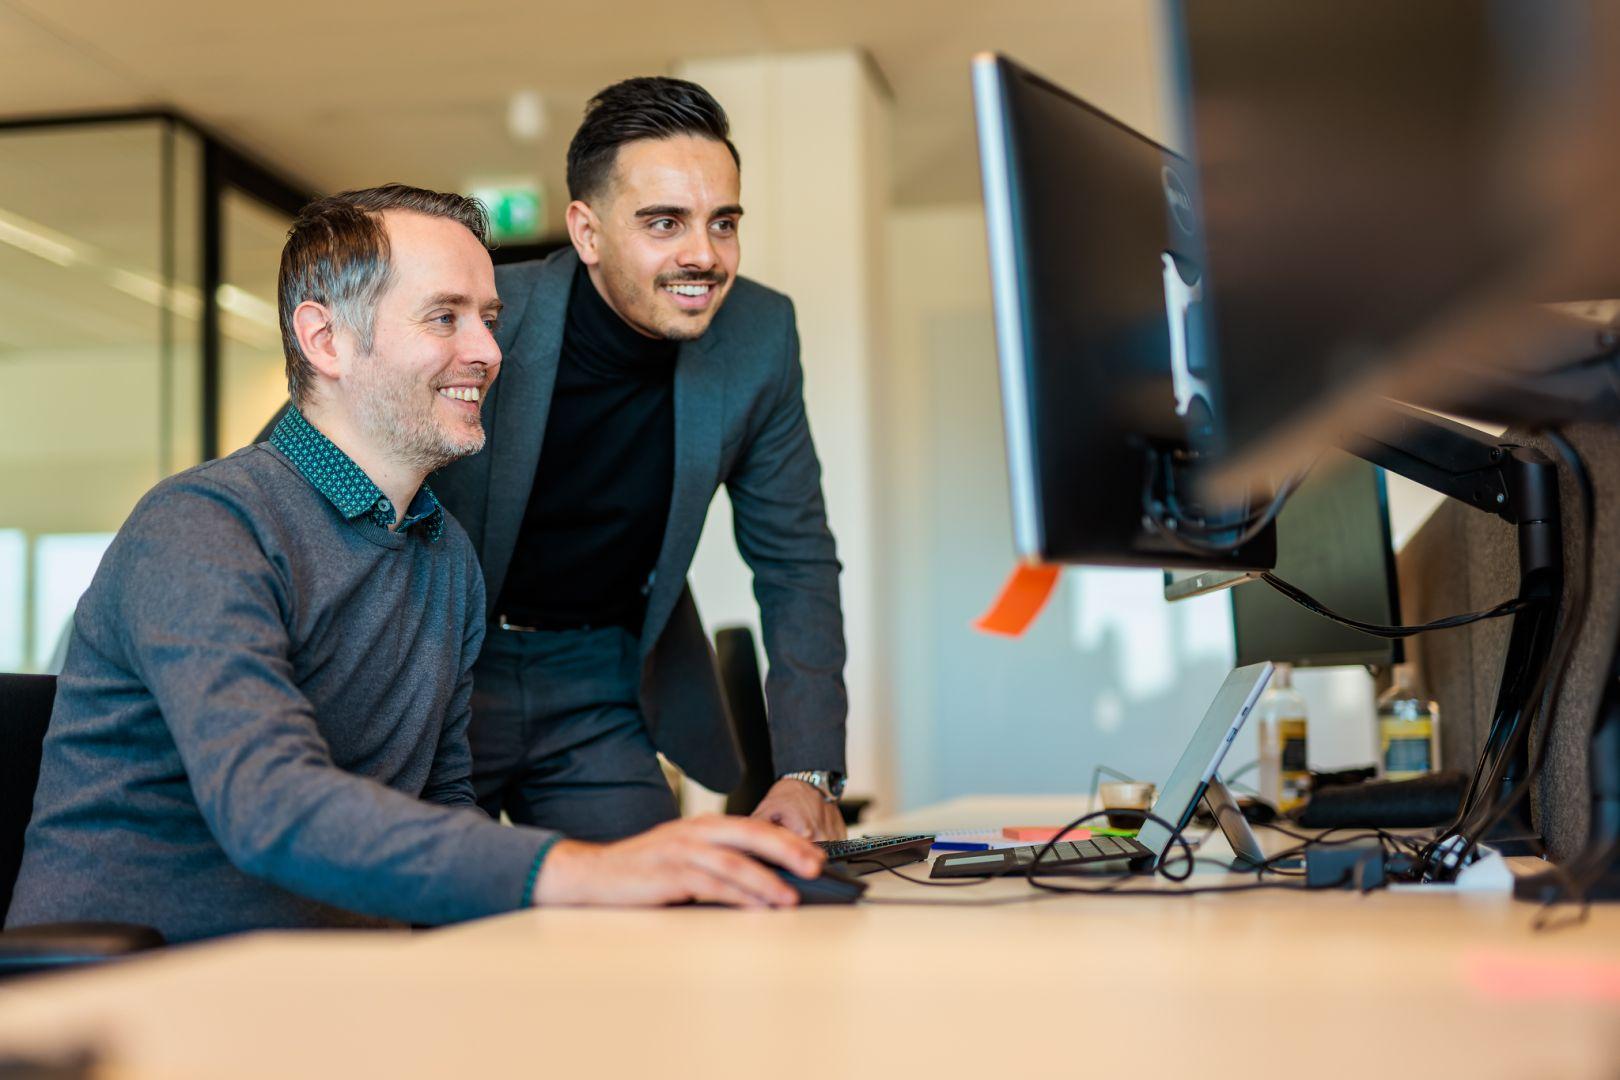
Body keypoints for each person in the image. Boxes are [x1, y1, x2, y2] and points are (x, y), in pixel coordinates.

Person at [4, 185, 822, 944]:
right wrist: (578, 868)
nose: (489, 351)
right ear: (325, 339)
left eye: (489, 317)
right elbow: (269, 805)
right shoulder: (203, 527)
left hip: (337, 982)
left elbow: (445, 807)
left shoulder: (443, 556)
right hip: (135, 993)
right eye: (445, 318)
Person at [433, 77, 849, 844]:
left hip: (599, 679)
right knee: (429, 922)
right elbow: (309, 463)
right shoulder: (482, 314)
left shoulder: (760, 336)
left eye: (723, 224)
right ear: (587, 233)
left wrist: (807, 770)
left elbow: (796, 562)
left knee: (660, 920)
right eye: (665, 222)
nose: (704, 255)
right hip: (445, 671)